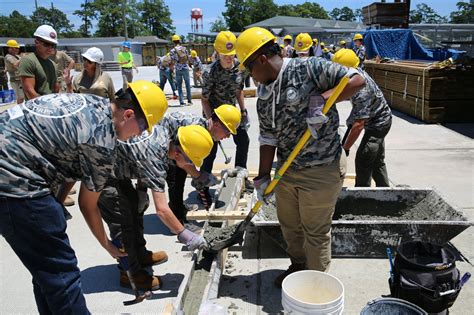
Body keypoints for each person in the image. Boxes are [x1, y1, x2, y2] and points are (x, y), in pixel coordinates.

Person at [0, 80, 167, 314]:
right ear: (129, 115)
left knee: (46, 269)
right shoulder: (104, 141)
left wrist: (56, 203)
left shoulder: (95, 105)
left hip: (12, 164)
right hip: (14, 180)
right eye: (142, 127)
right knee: (60, 271)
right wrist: (107, 245)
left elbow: (69, 160)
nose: (138, 135)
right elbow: (88, 205)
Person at [235, 27, 366, 287]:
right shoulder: (264, 95)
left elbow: (356, 79)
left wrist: (323, 98)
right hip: (287, 169)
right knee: (290, 226)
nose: (251, 77)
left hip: (321, 168)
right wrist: (262, 177)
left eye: (250, 69)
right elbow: (268, 138)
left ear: (261, 59)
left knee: (315, 232)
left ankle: (316, 287)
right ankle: (297, 267)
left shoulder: (308, 68)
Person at [98, 124, 213, 290]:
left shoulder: (164, 137)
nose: (189, 166)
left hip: (117, 170)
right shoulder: (155, 156)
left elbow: (138, 158)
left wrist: (141, 191)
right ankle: (129, 274)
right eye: (189, 161)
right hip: (102, 174)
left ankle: (138, 254)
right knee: (122, 221)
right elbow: (162, 210)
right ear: (178, 153)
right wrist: (185, 234)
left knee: (134, 208)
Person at [164, 104, 241, 223]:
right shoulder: (195, 128)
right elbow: (185, 161)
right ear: (216, 125)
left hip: (172, 145)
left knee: (180, 173)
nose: (227, 136)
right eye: (227, 132)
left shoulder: (203, 129)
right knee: (176, 177)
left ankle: (178, 206)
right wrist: (199, 177)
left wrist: (199, 176)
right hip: (160, 145)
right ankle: (176, 219)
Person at [201, 30, 251, 204]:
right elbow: (205, 100)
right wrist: (210, 121)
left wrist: (243, 111)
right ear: (217, 52)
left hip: (232, 114)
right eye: (225, 55)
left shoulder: (240, 68)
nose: (230, 58)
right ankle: (203, 187)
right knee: (210, 150)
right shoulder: (209, 73)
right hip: (214, 115)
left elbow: (239, 91)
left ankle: (241, 175)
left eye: (232, 54)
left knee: (243, 141)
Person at [333, 49, 392, 187]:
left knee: (364, 158)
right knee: (377, 160)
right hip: (375, 118)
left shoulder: (361, 88)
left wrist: (345, 148)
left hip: (379, 124)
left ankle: (361, 194)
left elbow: (359, 124)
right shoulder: (355, 74)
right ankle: (385, 190)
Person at [18, 25, 60, 100]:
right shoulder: (28, 61)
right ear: (37, 42)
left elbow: (55, 88)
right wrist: (45, 106)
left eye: (53, 45)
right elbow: (29, 92)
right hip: (36, 108)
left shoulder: (53, 64)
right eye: (46, 44)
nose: (50, 48)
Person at [170, 35, 193, 106]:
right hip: (185, 68)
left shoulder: (172, 50)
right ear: (179, 41)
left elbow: (172, 61)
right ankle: (189, 101)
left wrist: (172, 69)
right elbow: (188, 57)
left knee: (179, 85)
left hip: (178, 69)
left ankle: (182, 101)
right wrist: (189, 65)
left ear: (173, 41)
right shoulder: (184, 48)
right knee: (187, 84)